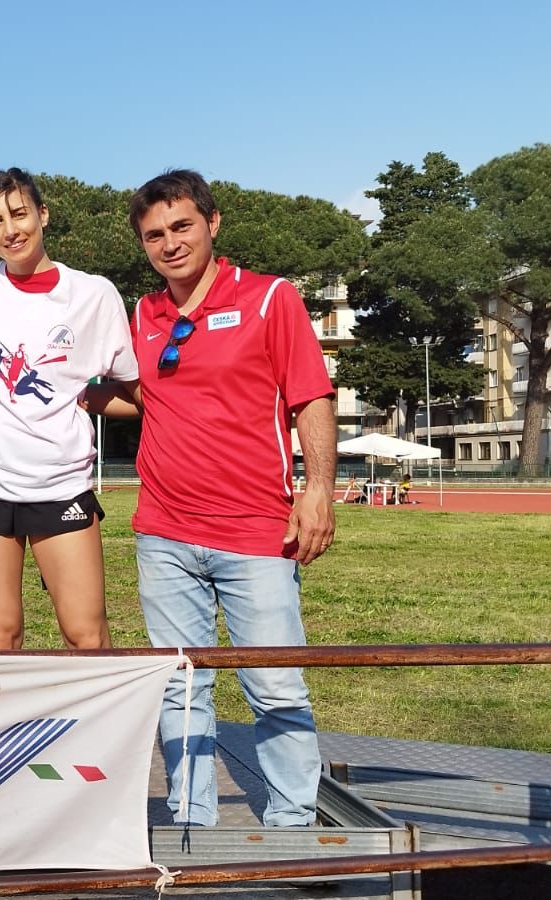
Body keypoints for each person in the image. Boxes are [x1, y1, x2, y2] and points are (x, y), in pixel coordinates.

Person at [124, 169, 337, 827]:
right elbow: (139, 392)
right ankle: (193, 829)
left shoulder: (273, 298)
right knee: (183, 689)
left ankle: (294, 827)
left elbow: (310, 396)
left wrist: (319, 491)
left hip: (256, 531)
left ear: (213, 223)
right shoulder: (143, 312)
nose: (170, 243)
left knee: (274, 685)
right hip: (163, 532)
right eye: (155, 234)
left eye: (182, 226)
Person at [0, 168, 138, 651]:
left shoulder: (94, 295)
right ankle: (8, 728)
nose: (10, 230)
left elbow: (134, 392)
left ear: (43, 214)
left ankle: (103, 730)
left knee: (85, 634)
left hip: (60, 484)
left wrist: (82, 397)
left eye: (18, 214)